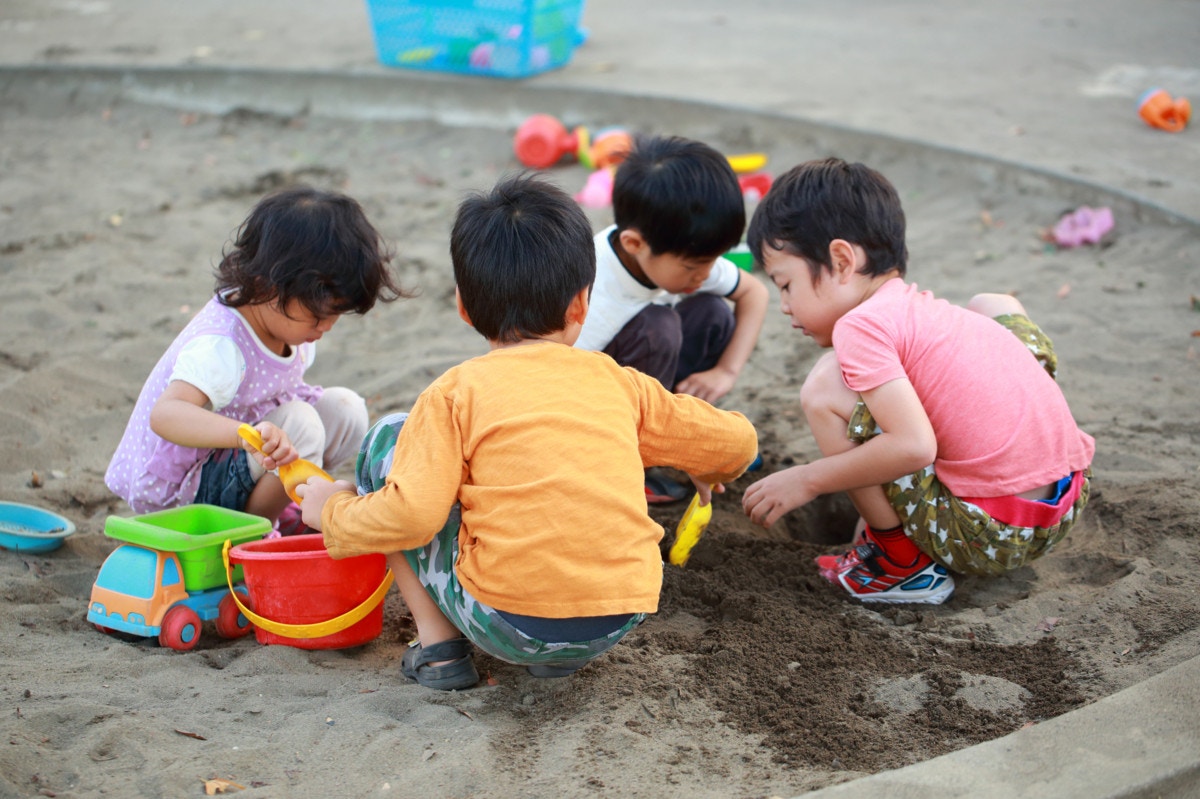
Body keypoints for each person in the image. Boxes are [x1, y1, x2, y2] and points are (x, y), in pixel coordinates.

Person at [298, 174, 758, 691]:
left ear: (464, 307)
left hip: (506, 622)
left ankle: (440, 651)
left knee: (389, 440)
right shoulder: (620, 384)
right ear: (581, 303)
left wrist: (330, 513)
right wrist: (710, 468)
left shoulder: (454, 394)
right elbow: (737, 443)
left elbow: (411, 516)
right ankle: (559, 658)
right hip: (619, 614)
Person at [740, 158, 1095, 605]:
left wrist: (809, 480)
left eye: (785, 284)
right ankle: (1020, 424)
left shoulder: (860, 327)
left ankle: (900, 564)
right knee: (993, 303)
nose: (785, 306)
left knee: (824, 388)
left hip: (991, 531)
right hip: (1066, 498)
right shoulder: (918, 312)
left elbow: (914, 447)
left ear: (841, 260)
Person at [105, 185, 407, 533]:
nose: (326, 327)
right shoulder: (222, 345)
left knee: (347, 410)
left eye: (336, 315)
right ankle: (257, 529)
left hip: (240, 464)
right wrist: (244, 435)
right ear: (268, 286)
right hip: (188, 488)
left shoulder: (289, 326)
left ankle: (288, 506)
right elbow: (165, 415)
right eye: (317, 315)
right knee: (302, 423)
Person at [574, 135, 770, 503]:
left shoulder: (680, 251)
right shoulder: (593, 294)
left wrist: (725, 371)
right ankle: (637, 468)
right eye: (695, 266)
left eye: (713, 261)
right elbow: (556, 388)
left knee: (711, 311)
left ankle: (686, 430)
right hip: (599, 408)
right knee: (656, 329)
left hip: (648, 384)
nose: (706, 273)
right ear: (635, 244)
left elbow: (754, 293)